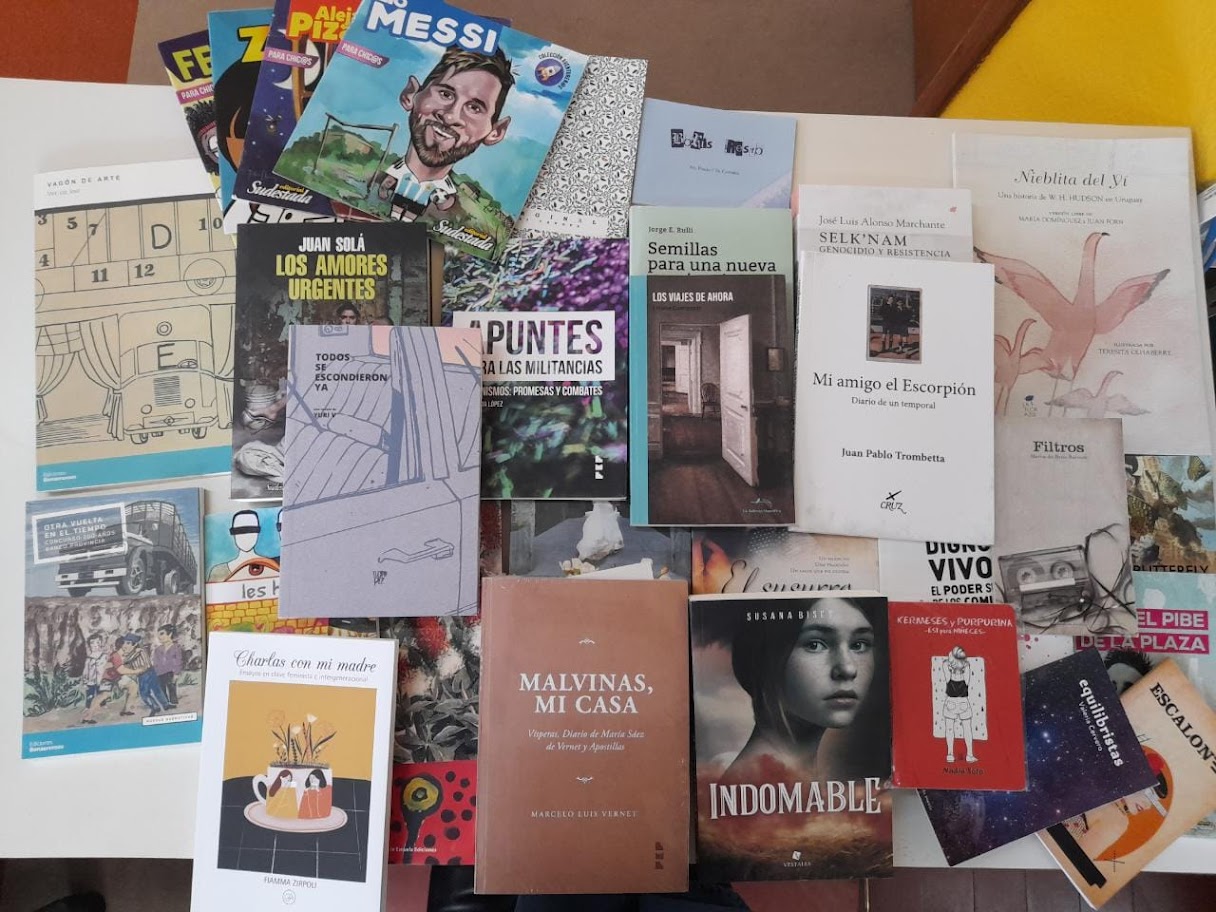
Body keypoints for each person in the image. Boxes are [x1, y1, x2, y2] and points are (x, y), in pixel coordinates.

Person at [726, 597, 878, 777]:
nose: (848, 669)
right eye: (815, 645)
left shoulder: (783, 776)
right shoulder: (759, 783)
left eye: (859, 645)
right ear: (764, 659)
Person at [375, 45, 514, 222]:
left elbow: (445, 202)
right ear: (411, 95)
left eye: (474, 108)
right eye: (445, 94)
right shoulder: (396, 170)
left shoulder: (446, 190)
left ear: (495, 132)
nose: (450, 117)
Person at [115, 634, 169, 717]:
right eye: (125, 643)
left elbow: (128, 660)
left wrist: (125, 659)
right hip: (146, 673)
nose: (125, 645)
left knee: (146, 693)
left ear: (135, 644)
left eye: (128, 643)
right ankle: (161, 705)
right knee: (154, 690)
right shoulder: (132, 652)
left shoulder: (139, 650)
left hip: (146, 673)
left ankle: (159, 706)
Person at [942, 645, 977, 763]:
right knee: (967, 729)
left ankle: (950, 754)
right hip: (963, 703)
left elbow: (945, 664)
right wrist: (963, 664)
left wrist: (951, 662)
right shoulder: (966, 673)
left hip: (950, 702)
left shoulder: (948, 676)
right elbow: (967, 675)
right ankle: (969, 755)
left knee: (949, 729)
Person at [153, 624, 183, 708]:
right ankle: (165, 703)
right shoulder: (157, 649)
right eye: (158, 635)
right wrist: (155, 672)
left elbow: (178, 661)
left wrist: (176, 673)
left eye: (162, 634)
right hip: (160, 673)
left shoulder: (176, 647)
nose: (159, 637)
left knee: (171, 687)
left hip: (171, 672)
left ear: (170, 634)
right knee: (161, 689)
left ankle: (173, 703)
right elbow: (155, 662)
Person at [79, 633, 107, 725]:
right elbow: (85, 671)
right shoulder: (89, 658)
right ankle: (88, 707)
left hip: (101, 680)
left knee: (101, 693)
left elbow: (107, 667)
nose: (95, 645)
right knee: (90, 694)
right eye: (92, 643)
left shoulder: (104, 656)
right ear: (89, 645)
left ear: (101, 644)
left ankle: (102, 705)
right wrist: (84, 681)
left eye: (97, 643)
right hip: (91, 680)